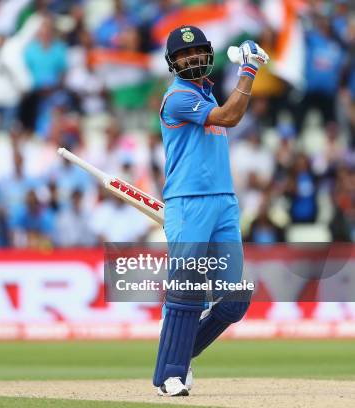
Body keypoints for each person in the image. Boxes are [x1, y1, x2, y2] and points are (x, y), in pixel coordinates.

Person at [155, 26, 268, 396]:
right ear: (173, 62)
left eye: (197, 52)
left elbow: (227, 111)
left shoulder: (207, 92)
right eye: (184, 55)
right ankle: (169, 375)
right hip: (188, 201)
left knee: (235, 296)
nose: (191, 58)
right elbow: (229, 117)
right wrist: (248, 72)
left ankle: (180, 348)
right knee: (188, 289)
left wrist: (244, 75)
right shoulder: (177, 97)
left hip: (224, 201)